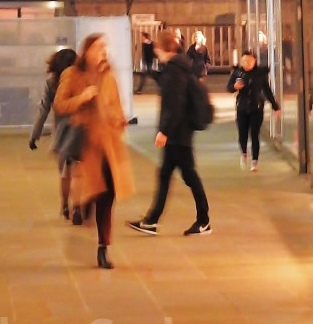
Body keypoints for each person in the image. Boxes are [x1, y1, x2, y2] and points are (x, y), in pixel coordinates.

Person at [54, 34, 133, 269]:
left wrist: (120, 119)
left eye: (105, 47)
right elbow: (59, 104)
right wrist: (82, 98)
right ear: (87, 50)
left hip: (108, 144)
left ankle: (103, 247)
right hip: (87, 144)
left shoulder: (109, 75)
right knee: (96, 190)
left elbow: (116, 106)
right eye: (99, 47)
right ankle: (84, 205)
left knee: (108, 196)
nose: (103, 51)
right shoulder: (72, 74)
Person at [128, 29, 211, 236]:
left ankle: (203, 220)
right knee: (167, 173)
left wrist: (164, 131)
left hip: (178, 132)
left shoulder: (175, 71)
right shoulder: (177, 67)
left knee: (188, 175)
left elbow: (175, 104)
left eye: (156, 48)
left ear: (163, 48)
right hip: (180, 131)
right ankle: (152, 220)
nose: (155, 52)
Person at [28, 46, 79, 218]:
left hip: (62, 134)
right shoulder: (81, 80)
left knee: (65, 173)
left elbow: (43, 109)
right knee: (79, 172)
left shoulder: (51, 82)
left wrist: (35, 135)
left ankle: (65, 206)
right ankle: (78, 206)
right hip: (80, 131)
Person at [228, 47, 280, 170]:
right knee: (242, 134)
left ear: (255, 61)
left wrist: (275, 106)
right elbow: (229, 87)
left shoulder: (260, 74)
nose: (246, 63)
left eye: (249, 61)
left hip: (256, 108)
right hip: (242, 107)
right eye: (244, 61)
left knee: (255, 134)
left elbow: (267, 91)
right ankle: (244, 152)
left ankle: (254, 161)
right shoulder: (238, 73)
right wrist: (235, 87)